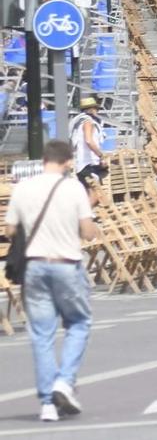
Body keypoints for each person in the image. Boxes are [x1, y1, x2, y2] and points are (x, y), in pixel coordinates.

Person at [6, 141, 98, 423]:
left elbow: (10, 229)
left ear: (44, 158)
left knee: (41, 334)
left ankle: (47, 402)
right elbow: (88, 232)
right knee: (79, 323)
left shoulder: (23, 188)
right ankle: (64, 381)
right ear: (68, 161)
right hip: (66, 264)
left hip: (35, 266)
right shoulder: (73, 188)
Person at [69, 98, 106, 184]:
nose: (97, 112)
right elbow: (88, 140)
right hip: (88, 164)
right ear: (92, 109)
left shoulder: (79, 122)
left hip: (83, 163)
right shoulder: (88, 122)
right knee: (93, 193)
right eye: (96, 109)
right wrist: (100, 155)